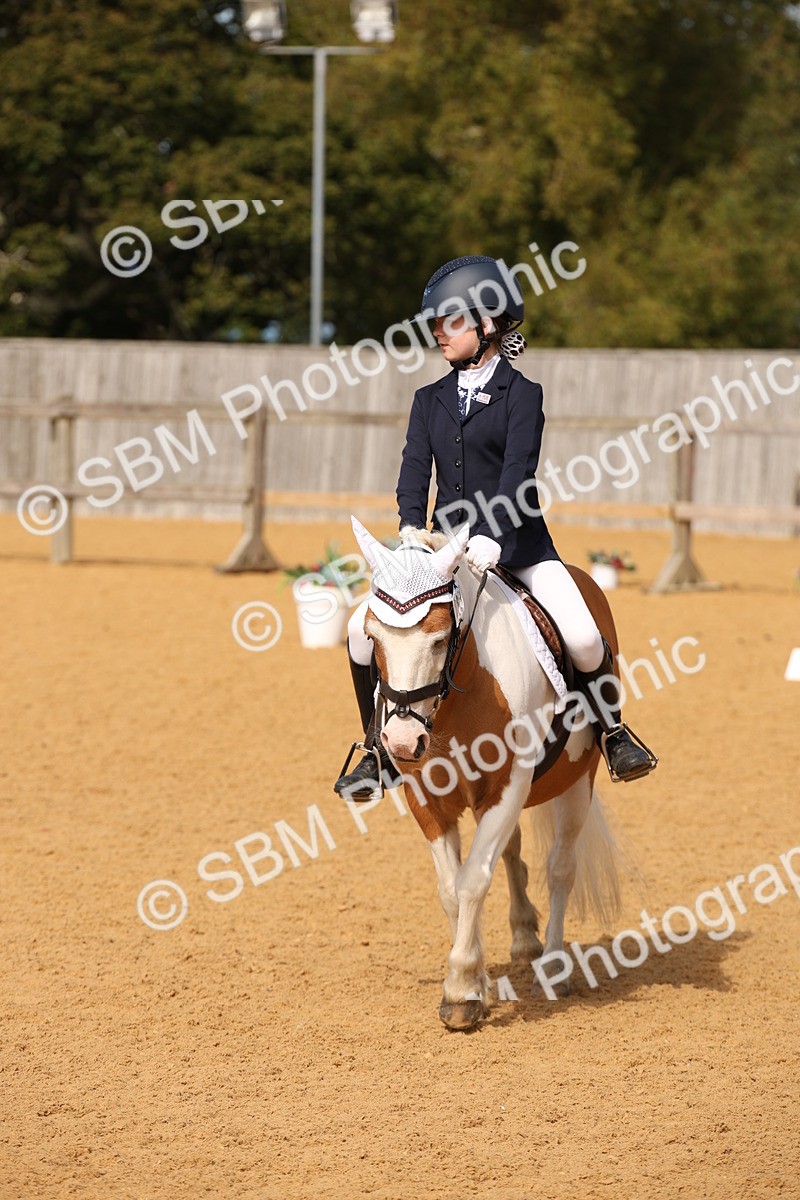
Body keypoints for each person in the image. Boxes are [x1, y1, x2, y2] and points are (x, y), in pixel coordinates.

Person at [334, 255, 657, 800]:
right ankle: (374, 750)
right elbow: (413, 475)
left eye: (451, 321)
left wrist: (492, 534)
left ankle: (614, 733)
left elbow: (517, 474)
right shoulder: (428, 399)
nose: (438, 330)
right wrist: (413, 536)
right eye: (435, 322)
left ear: (488, 324)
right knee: (355, 634)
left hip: (519, 546)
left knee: (581, 637)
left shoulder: (522, 394)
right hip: (440, 554)